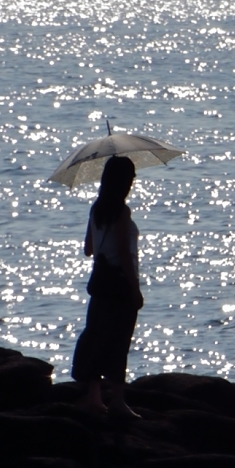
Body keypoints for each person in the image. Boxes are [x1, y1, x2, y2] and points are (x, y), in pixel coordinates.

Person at [72, 155, 143, 417]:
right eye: (131, 177)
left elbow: (88, 249)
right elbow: (125, 254)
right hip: (120, 285)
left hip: (100, 283)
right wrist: (135, 290)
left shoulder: (96, 208)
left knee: (97, 336)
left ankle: (94, 398)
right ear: (123, 182)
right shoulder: (122, 211)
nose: (133, 181)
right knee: (118, 341)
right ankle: (117, 401)